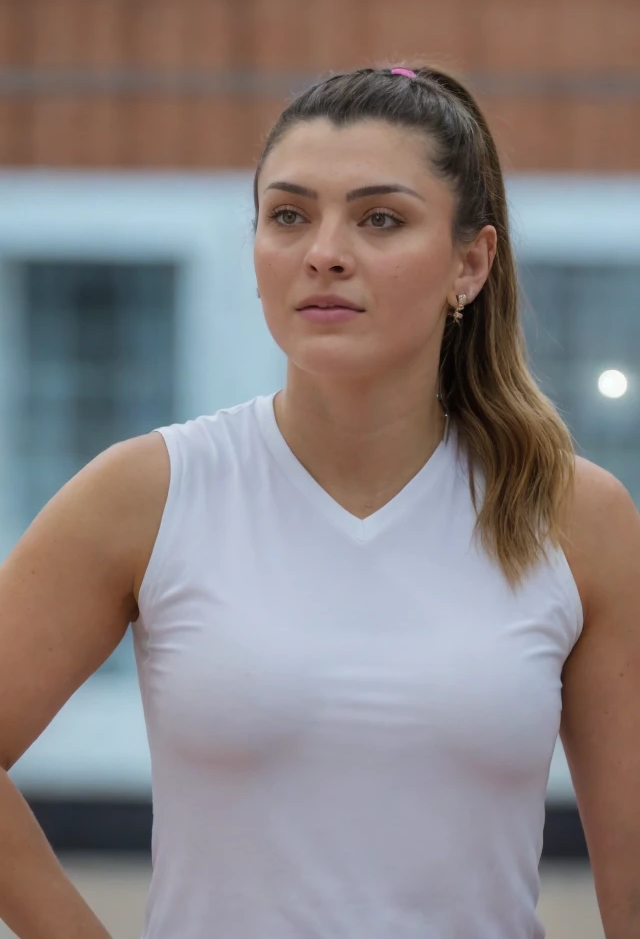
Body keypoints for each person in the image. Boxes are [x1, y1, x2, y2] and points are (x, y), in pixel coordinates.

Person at [0, 63, 638, 939]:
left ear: (471, 262)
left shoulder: (575, 517)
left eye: (380, 218)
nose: (324, 251)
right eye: (289, 215)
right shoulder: (148, 493)